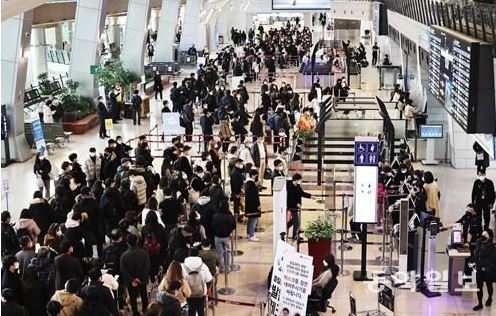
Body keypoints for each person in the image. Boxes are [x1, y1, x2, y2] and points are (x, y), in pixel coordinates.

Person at [120, 233, 150, 315]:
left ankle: (135, 312)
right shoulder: (144, 253)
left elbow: (123, 270)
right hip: (142, 279)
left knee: (132, 297)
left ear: (127, 242)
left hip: (130, 281)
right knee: (144, 295)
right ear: (137, 241)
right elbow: (147, 267)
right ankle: (145, 310)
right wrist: (139, 278)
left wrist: (132, 279)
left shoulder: (124, 256)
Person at [182, 250, 213, 316]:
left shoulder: (183, 267)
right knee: (201, 310)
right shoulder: (203, 266)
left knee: (191, 310)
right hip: (201, 294)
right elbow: (209, 279)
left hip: (189, 294)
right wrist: (208, 290)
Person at [472, 229, 496, 311]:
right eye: (483, 235)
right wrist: (476, 264)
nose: (483, 236)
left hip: (488, 269)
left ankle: (490, 298)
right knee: (479, 286)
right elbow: (476, 253)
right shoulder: (479, 242)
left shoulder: (492, 246)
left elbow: (492, 259)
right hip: (479, 268)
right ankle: (480, 304)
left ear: (490, 237)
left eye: (485, 235)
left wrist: (485, 267)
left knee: (489, 285)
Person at [287, 174, 312, 241]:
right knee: (297, 222)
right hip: (292, 206)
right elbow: (289, 198)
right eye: (300, 180)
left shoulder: (297, 186)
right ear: (296, 180)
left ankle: (286, 226)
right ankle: (295, 236)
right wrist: (296, 204)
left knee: (294, 221)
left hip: (296, 206)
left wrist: (311, 196)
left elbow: (302, 193)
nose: (300, 181)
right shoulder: (289, 187)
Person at [212, 202, 235, 272]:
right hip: (227, 237)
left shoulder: (215, 216)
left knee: (219, 253)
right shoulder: (229, 216)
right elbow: (234, 225)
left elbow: (212, 226)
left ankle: (221, 268)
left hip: (217, 237)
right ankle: (227, 267)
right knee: (227, 252)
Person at [245, 169, 261, 242]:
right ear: (253, 175)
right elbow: (254, 196)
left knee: (250, 220)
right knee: (253, 221)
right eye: (256, 175)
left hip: (249, 205)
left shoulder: (248, 183)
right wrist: (258, 205)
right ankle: (251, 235)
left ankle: (249, 233)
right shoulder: (251, 184)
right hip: (253, 206)